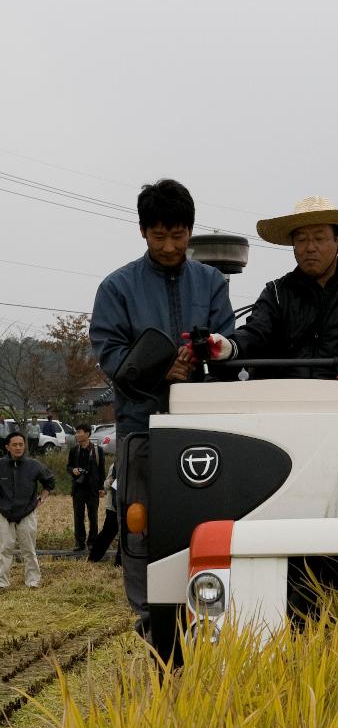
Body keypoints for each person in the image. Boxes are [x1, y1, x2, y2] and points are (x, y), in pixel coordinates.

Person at [89, 178, 235, 631]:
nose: (170, 245)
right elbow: (109, 352)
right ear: (142, 232)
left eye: (178, 234)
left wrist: (208, 352)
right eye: (159, 235)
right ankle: (151, 618)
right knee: (140, 524)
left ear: (190, 231)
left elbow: (230, 342)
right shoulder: (117, 287)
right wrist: (160, 371)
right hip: (142, 428)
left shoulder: (212, 282)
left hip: (204, 425)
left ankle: (210, 610)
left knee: (208, 520)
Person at [208, 195, 338, 379]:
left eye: (319, 238)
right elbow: (255, 333)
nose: (309, 247)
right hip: (284, 401)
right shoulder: (276, 293)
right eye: (301, 240)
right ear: (293, 244)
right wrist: (230, 345)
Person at [0, 432, 55, 589]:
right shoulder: (0, 465)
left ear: (24, 446)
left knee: (29, 549)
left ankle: (33, 582)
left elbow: (50, 482)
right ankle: (2, 583)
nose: (18, 447)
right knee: (4, 549)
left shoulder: (34, 465)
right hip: (4, 513)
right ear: (7, 447)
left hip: (27, 512)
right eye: (14, 445)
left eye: (21, 444)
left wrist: (42, 499)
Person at [67, 422, 105, 552]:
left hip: (93, 489)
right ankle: (79, 542)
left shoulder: (98, 451)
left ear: (87, 434)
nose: (77, 435)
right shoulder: (74, 450)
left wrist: (101, 487)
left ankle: (92, 542)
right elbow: (68, 466)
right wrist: (73, 470)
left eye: (79, 432)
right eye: (76, 432)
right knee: (78, 517)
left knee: (93, 517)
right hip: (78, 488)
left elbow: (101, 470)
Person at [88, 461, 120, 565]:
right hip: (113, 506)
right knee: (107, 533)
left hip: (128, 505)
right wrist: (111, 481)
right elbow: (106, 484)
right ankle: (93, 558)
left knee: (126, 535)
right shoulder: (115, 465)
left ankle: (120, 562)